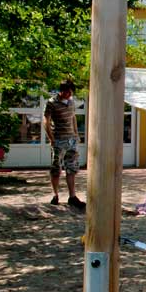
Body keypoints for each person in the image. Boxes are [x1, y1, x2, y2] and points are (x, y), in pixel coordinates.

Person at [44, 80, 85, 210]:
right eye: (67, 92)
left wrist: (76, 134)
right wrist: (51, 138)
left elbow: (73, 117)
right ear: (61, 91)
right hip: (58, 140)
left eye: (71, 92)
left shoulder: (71, 102)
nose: (69, 94)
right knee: (56, 168)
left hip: (71, 140)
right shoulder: (51, 103)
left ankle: (72, 196)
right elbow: (46, 121)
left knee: (71, 168)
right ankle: (55, 195)